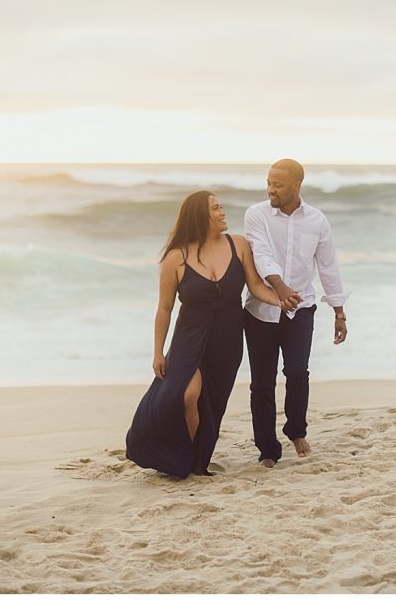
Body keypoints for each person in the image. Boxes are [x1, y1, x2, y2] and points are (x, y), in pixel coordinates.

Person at [125, 190, 299, 478]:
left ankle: (197, 463)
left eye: (221, 206)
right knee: (186, 395)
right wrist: (158, 351)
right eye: (216, 208)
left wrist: (280, 300)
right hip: (188, 340)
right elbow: (165, 308)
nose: (222, 212)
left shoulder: (239, 245)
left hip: (228, 340)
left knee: (213, 403)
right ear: (200, 216)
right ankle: (180, 455)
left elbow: (255, 287)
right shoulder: (176, 258)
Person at [243, 159, 349, 467]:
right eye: (269, 183)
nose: (270, 189)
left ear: (296, 185)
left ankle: (296, 430)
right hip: (260, 310)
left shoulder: (316, 220)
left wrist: (339, 312)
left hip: (301, 310)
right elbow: (260, 254)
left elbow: (328, 267)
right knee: (262, 383)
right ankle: (267, 450)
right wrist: (279, 288)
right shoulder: (257, 214)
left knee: (298, 374)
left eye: (277, 184)